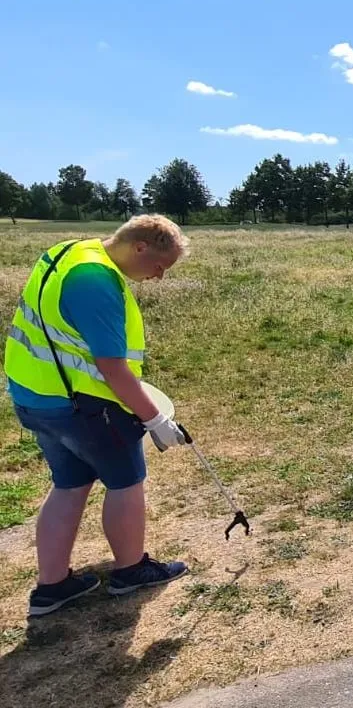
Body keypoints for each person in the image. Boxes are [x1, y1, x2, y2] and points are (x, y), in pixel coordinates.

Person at [5, 215, 192, 616]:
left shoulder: (71, 252)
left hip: (37, 397)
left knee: (70, 484)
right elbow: (113, 369)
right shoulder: (97, 281)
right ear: (140, 247)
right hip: (86, 405)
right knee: (126, 482)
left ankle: (52, 586)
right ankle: (130, 571)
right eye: (160, 266)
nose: (159, 277)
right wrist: (155, 418)